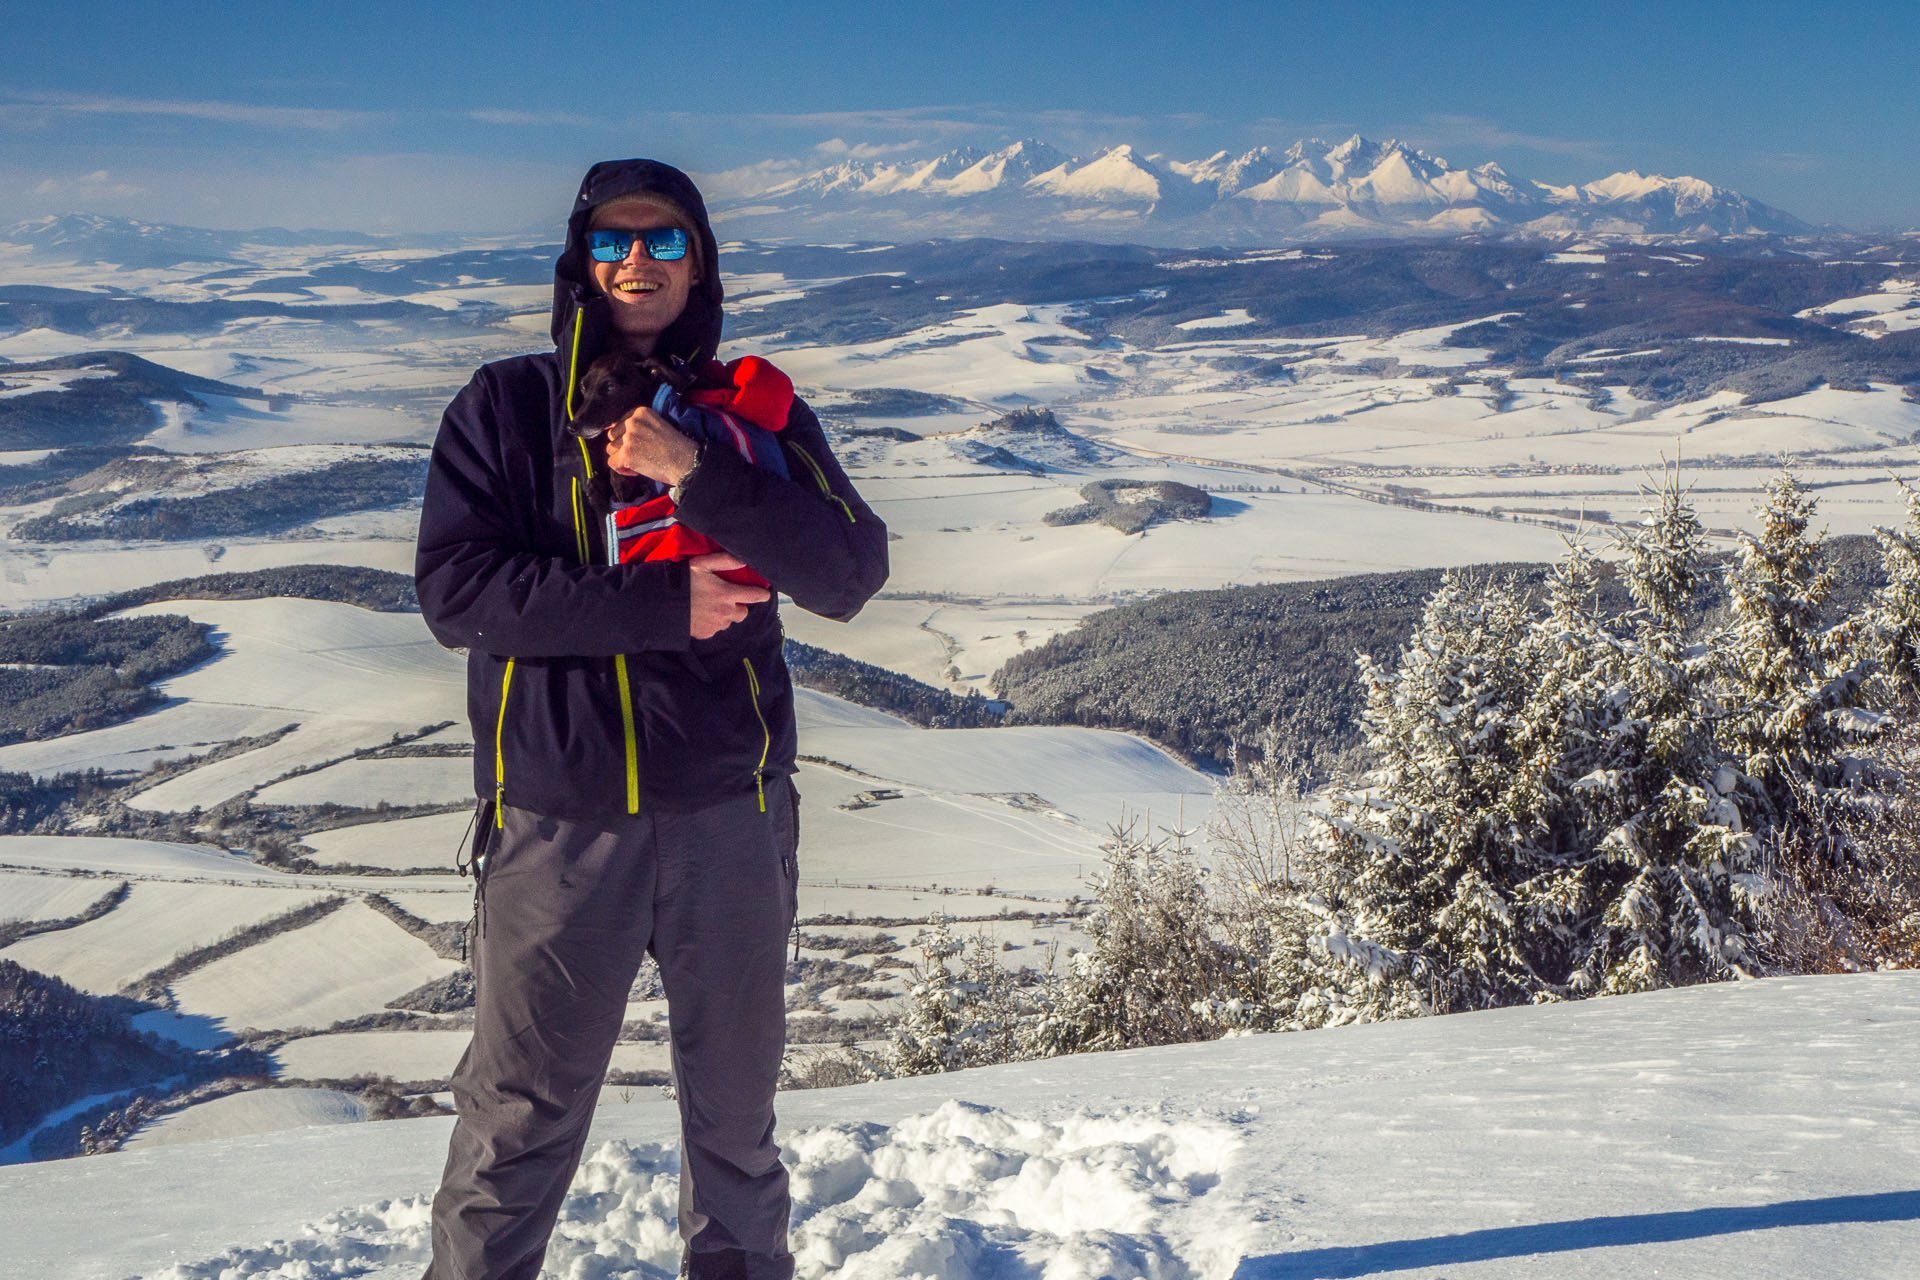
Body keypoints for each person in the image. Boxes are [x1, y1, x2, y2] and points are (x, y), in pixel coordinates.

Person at [414, 158, 888, 1280]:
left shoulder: (751, 412)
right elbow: (459, 592)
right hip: (559, 824)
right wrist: (658, 603)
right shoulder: (505, 407)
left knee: (735, 1125)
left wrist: (696, 473)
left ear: (700, 263)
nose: (639, 260)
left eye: (665, 240)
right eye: (616, 240)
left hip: (731, 814)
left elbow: (847, 569)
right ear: (580, 261)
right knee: (516, 1126)